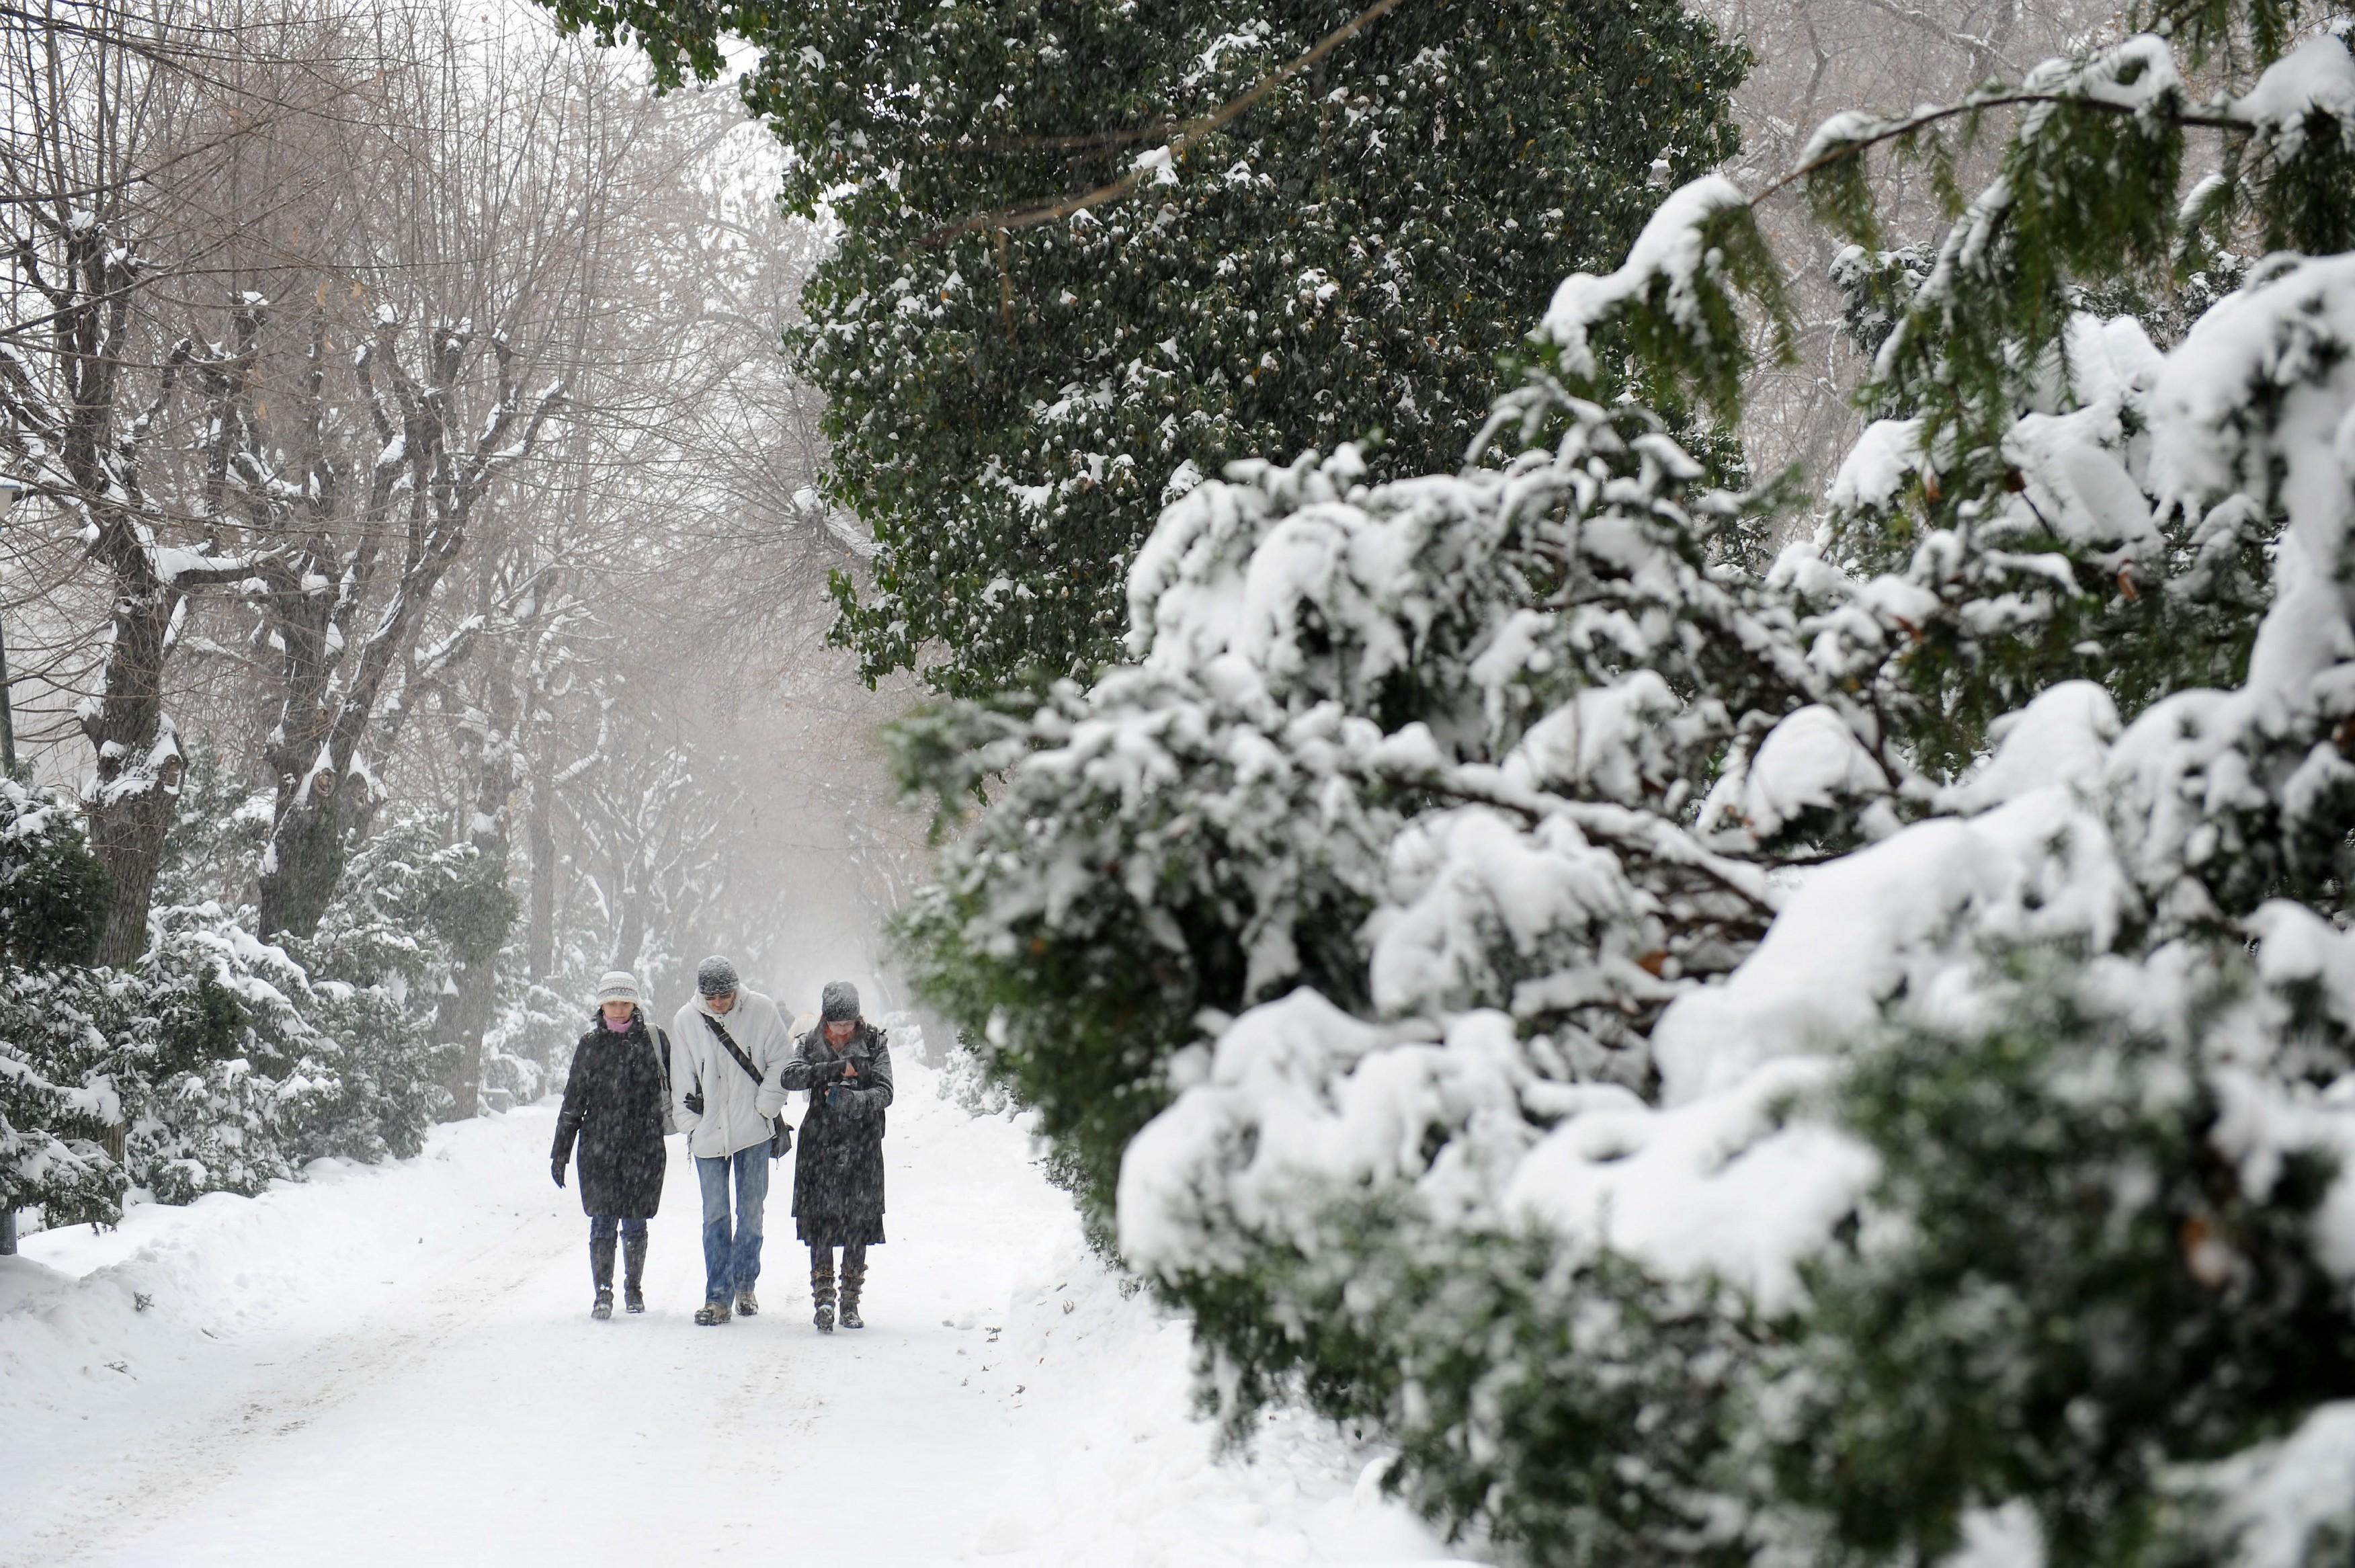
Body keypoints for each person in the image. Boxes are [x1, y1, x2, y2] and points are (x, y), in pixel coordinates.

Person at [671, 955, 795, 1326]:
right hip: (709, 1134)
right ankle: (718, 1297)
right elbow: (681, 1076)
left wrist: (765, 1107)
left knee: (752, 1215)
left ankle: (745, 1283)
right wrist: (691, 1124)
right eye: (712, 997)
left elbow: (782, 1062)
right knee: (715, 1217)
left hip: (753, 1131)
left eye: (725, 995)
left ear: (735, 988)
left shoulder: (760, 1010)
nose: (719, 1003)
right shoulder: (686, 1021)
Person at [551, 972, 672, 1320]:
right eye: (612, 1003)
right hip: (599, 1145)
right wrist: (560, 1152)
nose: (619, 1010)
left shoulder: (654, 1040)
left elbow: (676, 1087)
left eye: (625, 1002)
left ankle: (633, 1287)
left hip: (643, 1145)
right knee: (602, 1222)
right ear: (601, 1005)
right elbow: (574, 1100)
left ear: (635, 1003)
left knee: (635, 1221)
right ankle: (602, 1292)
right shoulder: (590, 1044)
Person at [779, 981, 894, 1332]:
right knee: (821, 1224)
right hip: (820, 1145)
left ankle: (850, 1302)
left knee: (858, 1222)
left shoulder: (875, 1042)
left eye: (848, 1024)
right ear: (825, 1019)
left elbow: (886, 1091)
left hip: (862, 1144)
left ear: (858, 1018)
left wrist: (853, 1102)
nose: (843, 1031)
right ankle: (824, 1299)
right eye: (836, 1024)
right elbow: (790, 1076)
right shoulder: (809, 1042)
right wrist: (831, 1071)